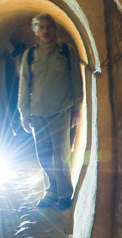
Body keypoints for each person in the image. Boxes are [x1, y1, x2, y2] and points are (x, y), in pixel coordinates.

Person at [18, 14, 84, 210]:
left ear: (55, 29)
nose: (46, 31)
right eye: (42, 28)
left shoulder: (66, 51)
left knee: (61, 154)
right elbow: (24, 84)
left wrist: (77, 109)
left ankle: (64, 193)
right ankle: (50, 192)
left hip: (61, 111)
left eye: (49, 27)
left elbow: (76, 81)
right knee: (44, 155)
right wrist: (24, 112)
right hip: (38, 112)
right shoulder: (30, 55)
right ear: (36, 31)